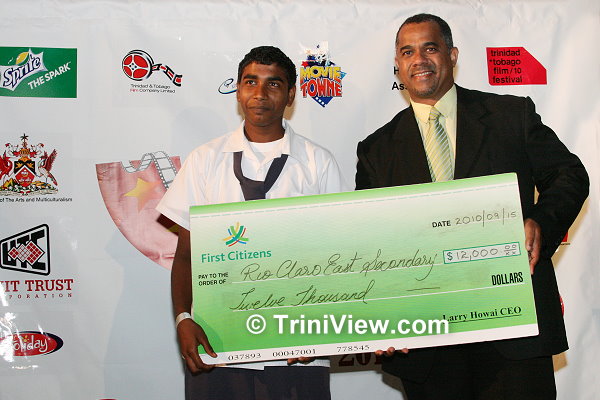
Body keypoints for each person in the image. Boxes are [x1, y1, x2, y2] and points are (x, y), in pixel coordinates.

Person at [356, 13, 589, 400]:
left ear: (452, 55)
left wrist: (539, 222)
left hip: (512, 329)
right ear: (397, 64)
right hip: (427, 341)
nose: (419, 60)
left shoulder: (510, 116)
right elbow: (370, 243)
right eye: (407, 52)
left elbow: (569, 175)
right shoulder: (377, 149)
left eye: (430, 48)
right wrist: (379, 316)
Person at [157, 46, 346, 400]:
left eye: (273, 83)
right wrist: (183, 319)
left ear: (291, 94)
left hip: (298, 346)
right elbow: (185, 256)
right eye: (250, 82)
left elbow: (336, 260)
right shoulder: (204, 160)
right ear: (238, 91)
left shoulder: (318, 162)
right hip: (218, 344)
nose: (260, 93)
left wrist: (321, 329)